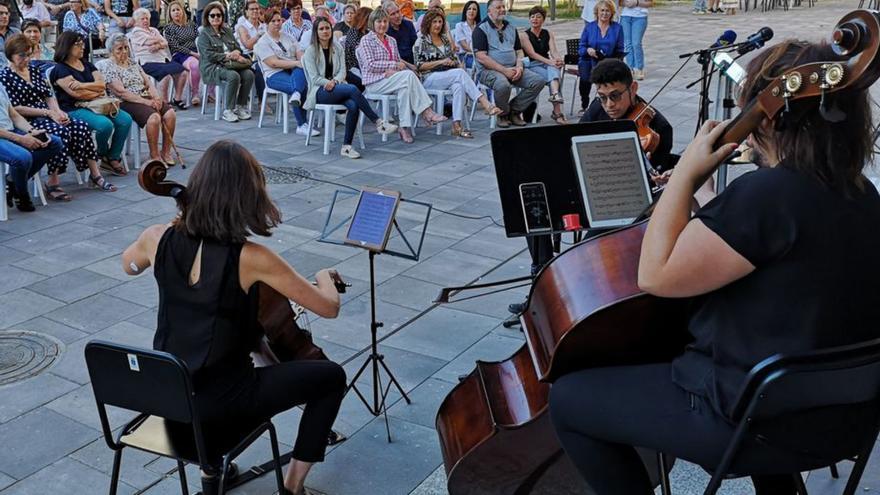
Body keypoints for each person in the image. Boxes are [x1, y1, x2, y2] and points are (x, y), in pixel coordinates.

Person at [550, 39, 880, 495]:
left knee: (568, 401)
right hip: (843, 419)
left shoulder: (767, 196)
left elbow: (655, 275)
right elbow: (757, 242)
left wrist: (685, 174)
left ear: (772, 116)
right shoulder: (862, 192)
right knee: (771, 370)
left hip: (756, 426)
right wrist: (705, 200)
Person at [121, 140, 347, 495]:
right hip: (224, 409)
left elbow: (129, 265)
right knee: (332, 377)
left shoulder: (156, 238)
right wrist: (323, 277)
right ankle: (292, 488)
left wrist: (165, 236)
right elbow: (328, 308)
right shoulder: (253, 257)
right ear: (246, 196)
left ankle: (211, 473)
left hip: (171, 401)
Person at [1, 33, 105, 201]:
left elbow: (49, 96)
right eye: (22, 55)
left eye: (29, 54)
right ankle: (52, 182)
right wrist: (48, 113)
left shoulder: (34, 71)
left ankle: (94, 173)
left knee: (80, 126)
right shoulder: (5, 76)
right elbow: (14, 108)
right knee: (60, 133)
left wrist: (57, 112)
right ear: (10, 55)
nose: (26, 58)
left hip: (47, 113)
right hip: (27, 120)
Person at [303, 17, 396, 158]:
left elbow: (343, 71)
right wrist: (326, 83)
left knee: (353, 105)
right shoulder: (310, 51)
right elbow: (314, 77)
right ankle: (378, 122)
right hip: (319, 91)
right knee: (353, 89)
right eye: (321, 29)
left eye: (327, 28)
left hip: (337, 86)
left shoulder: (337, 48)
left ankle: (346, 147)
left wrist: (335, 81)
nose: (325, 31)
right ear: (316, 32)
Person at [51, 31, 130, 189]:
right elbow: (75, 94)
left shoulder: (86, 63)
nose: (82, 47)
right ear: (67, 46)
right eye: (78, 44)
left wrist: (82, 85)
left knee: (125, 120)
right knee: (104, 125)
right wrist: (91, 89)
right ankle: (101, 153)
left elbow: (102, 85)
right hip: (73, 108)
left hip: (98, 103)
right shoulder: (60, 70)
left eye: (82, 44)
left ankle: (111, 157)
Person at [355, 8, 445, 143]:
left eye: (385, 21)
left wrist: (399, 67)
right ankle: (427, 111)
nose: (382, 24)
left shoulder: (391, 40)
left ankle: (404, 127)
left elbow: (397, 60)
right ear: (372, 23)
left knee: (405, 88)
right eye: (379, 21)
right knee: (408, 76)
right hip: (374, 83)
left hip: (391, 79)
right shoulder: (366, 40)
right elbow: (370, 65)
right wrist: (392, 67)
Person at [414, 8, 499, 139]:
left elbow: (453, 59)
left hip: (447, 76)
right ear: (428, 23)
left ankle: (456, 125)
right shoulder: (422, 40)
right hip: (428, 78)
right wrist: (441, 62)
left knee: (459, 85)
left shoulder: (445, 39)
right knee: (459, 74)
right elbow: (418, 66)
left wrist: (454, 63)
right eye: (434, 22)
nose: (437, 25)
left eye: (440, 22)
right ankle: (484, 102)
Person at [98, 33, 178, 164]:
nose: (124, 51)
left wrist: (156, 98)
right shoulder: (106, 65)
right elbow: (120, 92)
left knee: (170, 114)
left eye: (126, 47)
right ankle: (154, 155)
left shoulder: (132, 62)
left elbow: (148, 83)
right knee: (154, 118)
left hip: (145, 97)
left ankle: (166, 152)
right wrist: (147, 102)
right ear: (111, 50)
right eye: (119, 49)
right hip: (125, 101)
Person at [579, 59, 672, 171]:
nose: (609, 105)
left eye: (615, 96)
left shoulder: (660, 128)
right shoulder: (597, 108)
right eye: (603, 97)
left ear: (633, 89)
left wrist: (647, 171)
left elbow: (657, 180)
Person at [473, 0, 543, 128]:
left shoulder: (511, 27)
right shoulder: (481, 29)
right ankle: (503, 114)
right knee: (503, 85)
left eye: (503, 7)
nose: (502, 10)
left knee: (538, 81)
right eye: (498, 7)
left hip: (513, 68)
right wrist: (504, 71)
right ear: (489, 11)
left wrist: (519, 67)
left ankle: (514, 111)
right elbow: (481, 57)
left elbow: (519, 52)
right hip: (488, 71)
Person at [0, 82, 63, 212]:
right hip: (4, 135)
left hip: (10, 130)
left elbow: (13, 115)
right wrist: (20, 139)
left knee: (54, 143)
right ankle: (22, 194)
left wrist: (32, 131)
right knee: (23, 157)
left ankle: (13, 181)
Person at [254, 7, 317, 136]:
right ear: (267, 23)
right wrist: (296, 63)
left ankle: (297, 97)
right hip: (274, 74)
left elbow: (299, 52)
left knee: (300, 74)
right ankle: (302, 124)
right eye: (273, 21)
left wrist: (301, 62)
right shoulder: (262, 42)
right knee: (300, 85)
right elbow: (273, 63)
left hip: (293, 70)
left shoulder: (288, 37)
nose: (277, 23)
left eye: (279, 20)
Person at [197, 1, 255, 123]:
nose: (216, 18)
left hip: (231, 64)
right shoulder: (204, 34)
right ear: (207, 17)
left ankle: (240, 106)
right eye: (212, 15)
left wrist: (237, 54)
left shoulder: (227, 31)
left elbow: (238, 47)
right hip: (213, 66)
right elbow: (209, 55)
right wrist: (228, 56)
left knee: (249, 74)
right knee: (233, 76)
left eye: (219, 15)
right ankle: (228, 110)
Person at [128, 7, 189, 108]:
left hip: (162, 60)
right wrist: (159, 41)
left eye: (147, 18)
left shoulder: (154, 30)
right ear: (136, 21)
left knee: (183, 72)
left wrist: (158, 45)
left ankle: (177, 99)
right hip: (147, 62)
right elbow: (150, 41)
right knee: (166, 76)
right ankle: (164, 103)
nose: (145, 21)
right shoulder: (136, 32)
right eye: (142, 19)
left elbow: (165, 42)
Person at [519, 6, 565, 124]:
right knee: (554, 76)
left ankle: (555, 95)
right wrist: (551, 62)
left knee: (554, 69)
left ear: (543, 19)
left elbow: (553, 51)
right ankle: (557, 112)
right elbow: (532, 54)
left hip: (545, 63)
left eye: (538, 17)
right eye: (532, 17)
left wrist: (558, 59)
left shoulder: (548, 33)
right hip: (532, 65)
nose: (535, 19)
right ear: (529, 19)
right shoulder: (524, 35)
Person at [577, 0, 623, 115]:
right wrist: (588, 50)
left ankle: (608, 105)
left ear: (612, 13)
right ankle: (585, 104)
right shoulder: (589, 27)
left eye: (608, 11)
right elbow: (581, 48)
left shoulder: (617, 28)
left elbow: (620, 50)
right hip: (589, 60)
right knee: (585, 73)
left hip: (607, 61)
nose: (605, 13)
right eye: (602, 10)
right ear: (597, 12)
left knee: (610, 75)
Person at [164, 0, 201, 106]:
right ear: (170, 14)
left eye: (178, 9)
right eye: (173, 10)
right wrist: (193, 54)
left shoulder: (191, 25)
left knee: (212, 63)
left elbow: (199, 38)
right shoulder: (169, 28)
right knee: (195, 64)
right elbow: (175, 46)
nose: (176, 12)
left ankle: (211, 93)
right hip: (180, 55)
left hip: (196, 52)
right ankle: (195, 94)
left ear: (183, 11)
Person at [620, 0, 651, 80]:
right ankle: (630, 68)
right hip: (625, 17)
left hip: (640, 17)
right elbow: (619, 2)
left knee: (636, 43)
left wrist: (636, 3)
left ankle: (639, 68)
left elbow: (650, 3)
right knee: (628, 44)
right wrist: (626, 3)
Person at [342, 5, 369, 89]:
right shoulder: (354, 32)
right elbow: (356, 52)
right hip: (354, 68)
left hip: (365, 67)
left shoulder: (368, 32)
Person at [382, 0, 415, 66]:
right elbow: (391, 56)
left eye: (398, 12)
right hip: (397, 64)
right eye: (392, 14)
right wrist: (410, 66)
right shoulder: (385, 31)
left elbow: (415, 45)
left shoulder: (409, 24)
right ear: (386, 17)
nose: (397, 16)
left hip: (413, 60)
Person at [452, 0, 479, 68]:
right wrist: (478, 53)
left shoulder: (479, 26)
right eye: (469, 9)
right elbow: (465, 46)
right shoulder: (459, 26)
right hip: (464, 56)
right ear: (465, 11)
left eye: (474, 9)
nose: (471, 11)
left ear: (477, 12)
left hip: (478, 55)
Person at [0, 2, 21, 67]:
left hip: (15, 69)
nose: (5, 16)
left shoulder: (16, 33)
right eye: (0, 13)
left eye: (6, 13)